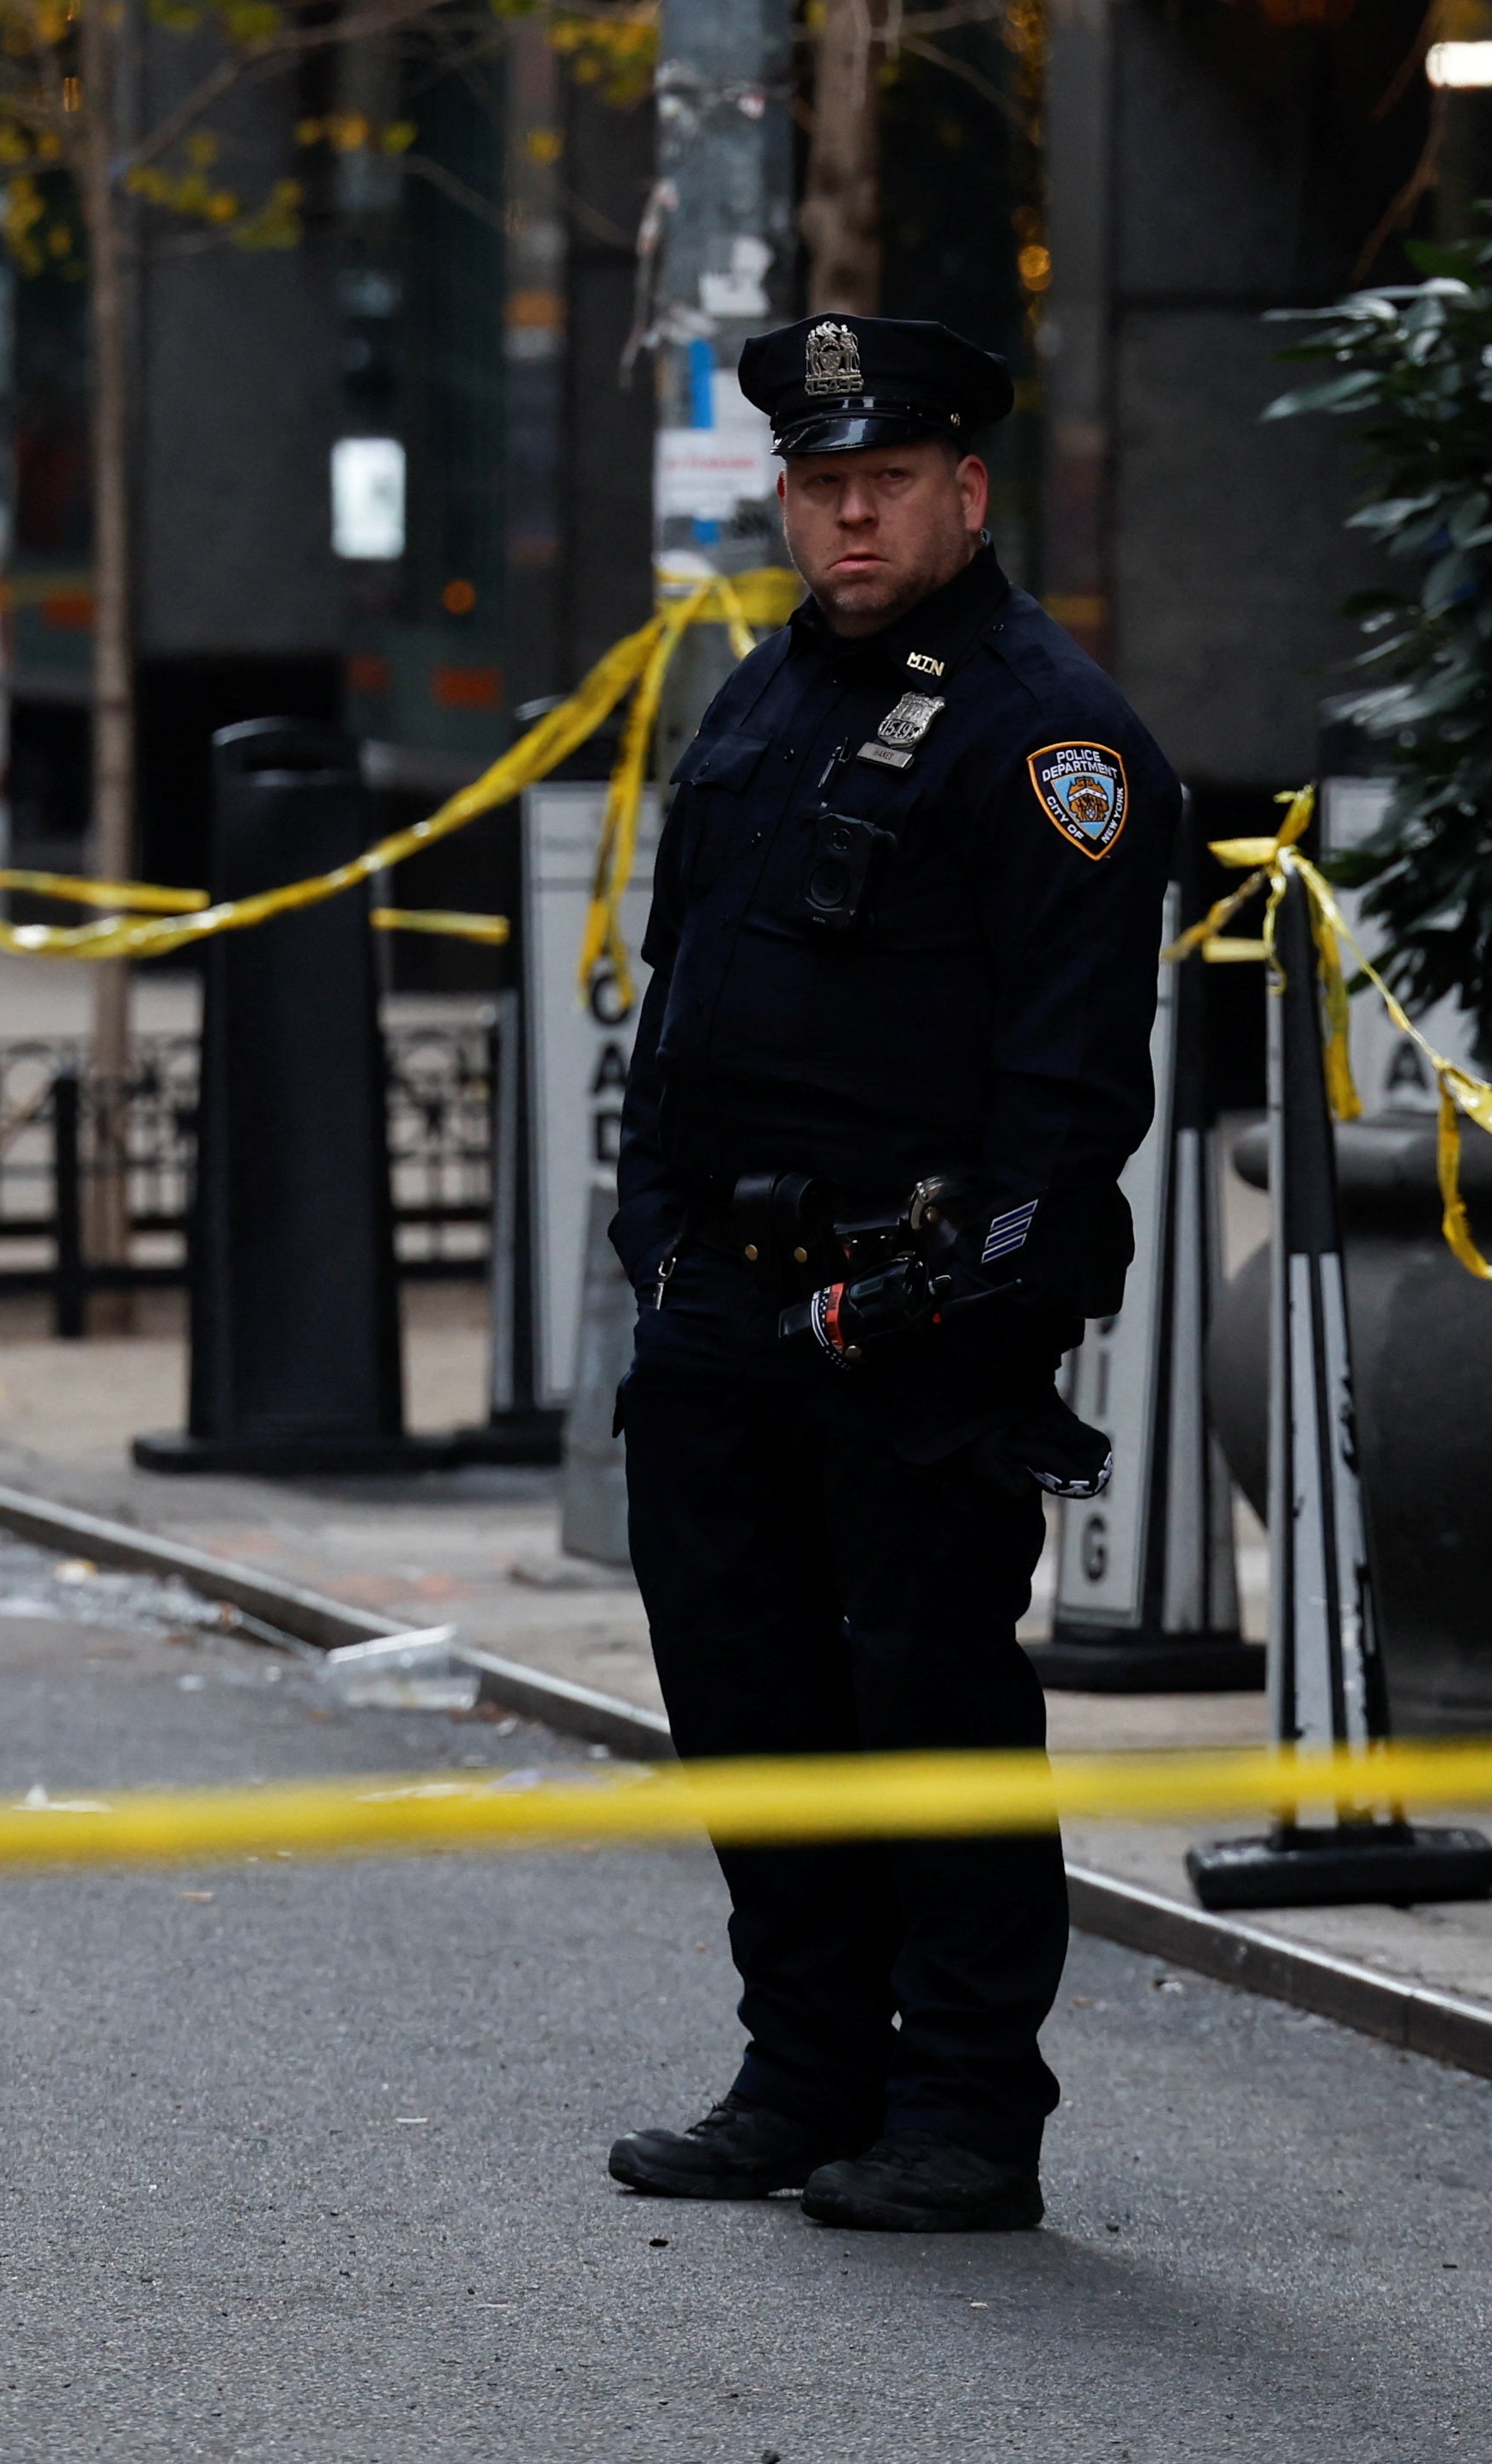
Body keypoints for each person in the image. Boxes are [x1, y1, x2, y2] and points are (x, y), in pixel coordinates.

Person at [598, 311, 1183, 2237]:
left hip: (906, 1312)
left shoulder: (1048, 732)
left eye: (883, 487)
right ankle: (803, 2073)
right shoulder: (767, 695)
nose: (847, 520)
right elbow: (680, 992)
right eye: (820, 488)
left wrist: (982, 1305)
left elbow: (1075, 1079)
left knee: (925, 1708)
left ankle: (963, 2109)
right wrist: (651, 1239)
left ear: (963, 492)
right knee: (748, 1705)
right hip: (721, 1304)